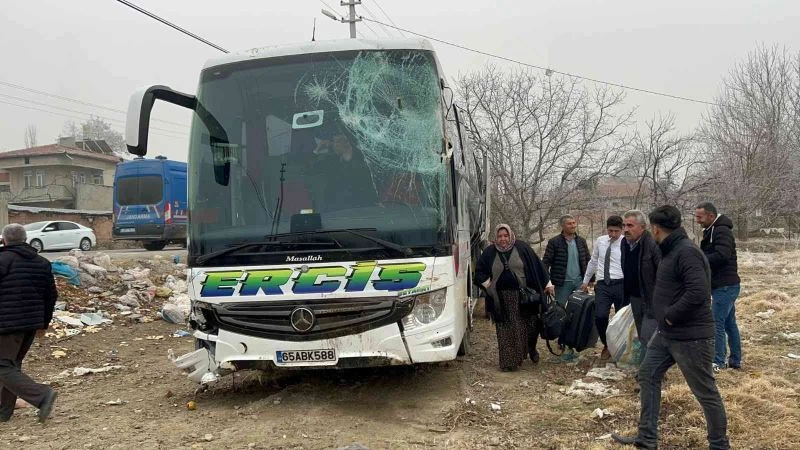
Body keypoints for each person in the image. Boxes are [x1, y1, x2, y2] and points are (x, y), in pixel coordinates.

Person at [613, 206, 729, 450]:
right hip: (668, 333)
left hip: (691, 335)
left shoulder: (687, 252)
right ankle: (646, 439)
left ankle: (719, 444)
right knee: (647, 374)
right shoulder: (670, 250)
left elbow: (698, 291)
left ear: (655, 228)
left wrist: (670, 316)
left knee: (705, 391)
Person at [0, 223, 59, 423]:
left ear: (4, 240)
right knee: (11, 365)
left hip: (7, 324)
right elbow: (51, 295)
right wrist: (44, 323)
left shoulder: (2, 259)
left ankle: (42, 395)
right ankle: (4, 410)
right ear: (25, 239)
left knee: (3, 366)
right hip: (30, 324)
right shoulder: (41, 262)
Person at [475, 224, 550, 371]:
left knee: (527, 327)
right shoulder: (489, 252)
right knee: (504, 330)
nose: (503, 239)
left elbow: (537, 266)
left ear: (510, 235)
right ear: (495, 237)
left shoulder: (522, 248)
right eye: (500, 236)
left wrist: (548, 283)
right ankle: (509, 362)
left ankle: (529, 349)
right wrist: (488, 284)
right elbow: (479, 272)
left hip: (523, 298)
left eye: (505, 235)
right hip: (500, 299)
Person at [695, 202, 742, 372]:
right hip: (725, 284)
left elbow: (722, 255)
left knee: (717, 324)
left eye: (700, 217)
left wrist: (699, 259)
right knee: (729, 324)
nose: (697, 220)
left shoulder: (721, 231)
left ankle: (718, 361)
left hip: (725, 286)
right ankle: (735, 360)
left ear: (711, 216)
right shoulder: (712, 230)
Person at [580, 216, 625, 359]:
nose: (613, 234)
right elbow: (593, 261)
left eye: (616, 231)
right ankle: (607, 344)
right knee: (600, 316)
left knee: (620, 318)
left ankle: (619, 347)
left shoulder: (626, 242)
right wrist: (586, 280)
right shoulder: (601, 241)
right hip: (603, 284)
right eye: (610, 231)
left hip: (621, 284)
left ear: (622, 229)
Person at [621, 210, 661, 363]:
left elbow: (662, 273)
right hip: (635, 297)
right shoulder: (625, 243)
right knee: (642, 333)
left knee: (649, 336)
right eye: (624, 225)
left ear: (643, 227)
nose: (625, 229)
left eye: (630, 225)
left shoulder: (653, 245)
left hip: (652, 298)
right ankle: (647, 369)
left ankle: (648, 375)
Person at [310, 126, 378, 212]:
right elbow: (311, 171)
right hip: (334, 211)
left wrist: (348, 158)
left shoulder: (362, 161)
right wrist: (317, 150)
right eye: (336, 142)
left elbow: (366, 185)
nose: (338, 145)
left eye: (341, 141)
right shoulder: (331, 162)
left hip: (360, 210)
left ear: (348, 143)